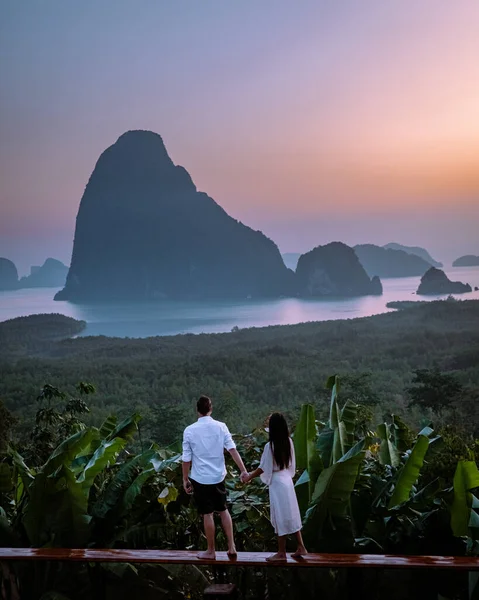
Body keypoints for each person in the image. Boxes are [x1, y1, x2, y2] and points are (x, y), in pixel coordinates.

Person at [182, 395, 248, 560]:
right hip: (218, 477)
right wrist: (243, 470)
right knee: (223, 510)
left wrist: (185, 479)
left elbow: (186, 458)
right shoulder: (221, 427)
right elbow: (232, 450)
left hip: (200, 478)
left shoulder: (189, 430)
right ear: (210, 409)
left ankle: (211, 550)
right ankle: (231, 546)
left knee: (207, 513)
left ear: (197, 410)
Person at [243, 412, 307, 561]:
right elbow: (292, 464)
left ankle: (281, 552)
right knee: (291, 514)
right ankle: (301, 546)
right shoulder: (288, 442)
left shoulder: (270, 446)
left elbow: (263, 467)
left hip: (278, 482)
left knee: (280, 516)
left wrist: (249, 477)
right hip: (287, 480)